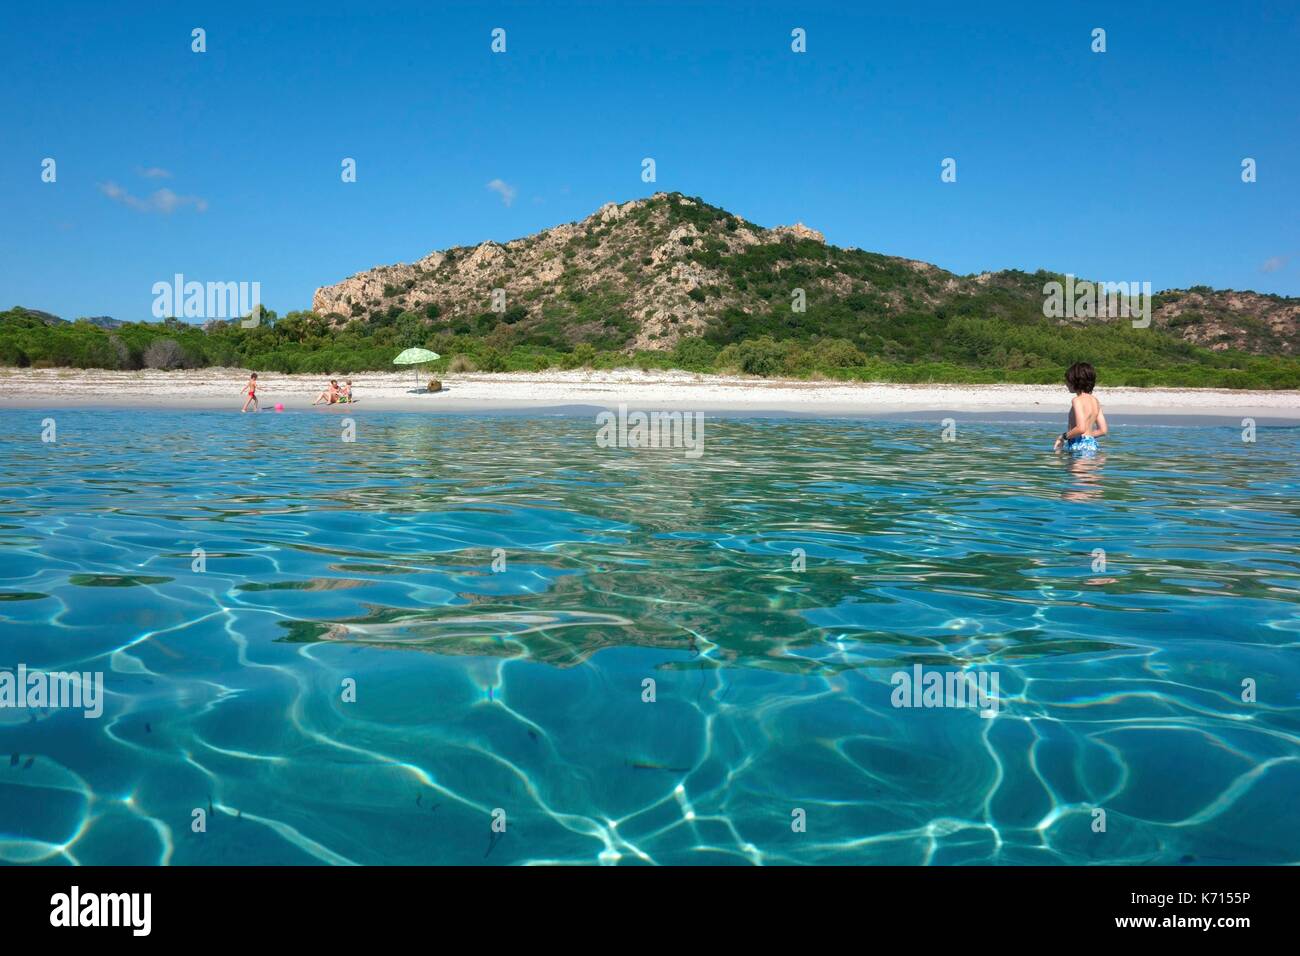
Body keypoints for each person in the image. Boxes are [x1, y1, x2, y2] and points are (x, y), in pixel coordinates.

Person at [1054, 362, 1107, 455]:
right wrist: (1087, 436)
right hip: (1092, 445)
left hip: (1079, 445)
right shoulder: (1095, 401)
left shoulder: (1077, 400)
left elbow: (1081, 428)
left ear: (1075, 381)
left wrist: (1062, 437)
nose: (1066, 383)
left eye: (1067, 380)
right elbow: (1103, 430)